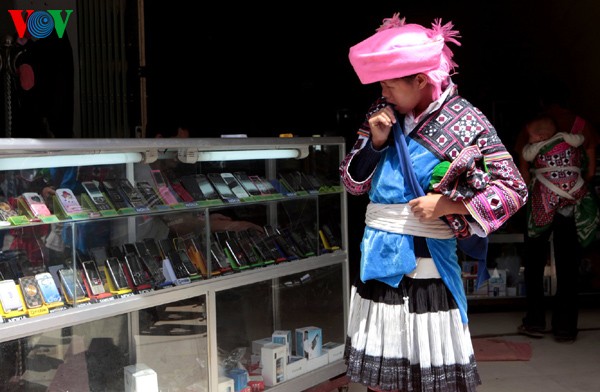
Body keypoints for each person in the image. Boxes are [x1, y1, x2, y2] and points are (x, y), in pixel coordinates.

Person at [340, 13, 528, 391]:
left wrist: (447, 207)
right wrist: (375, 144)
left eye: (391, 85)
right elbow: (353, 183)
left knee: (429, 376)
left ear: (421, 80)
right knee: (381, 375)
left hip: (428, 263)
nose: (384, 93)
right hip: (380, 256)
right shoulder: (382, 114)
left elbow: (514, 189)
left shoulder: (468, 121)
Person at [515, 84, 600, 343]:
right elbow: (590, 161)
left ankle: (535, 320)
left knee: (535, 261)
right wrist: (575, 184)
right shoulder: (580, 125)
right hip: (572, 200)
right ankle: (565, 327)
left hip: (541, 198)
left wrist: (535, 189)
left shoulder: (532, 126)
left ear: (543, 102)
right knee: (568, 263)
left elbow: (523, 163)